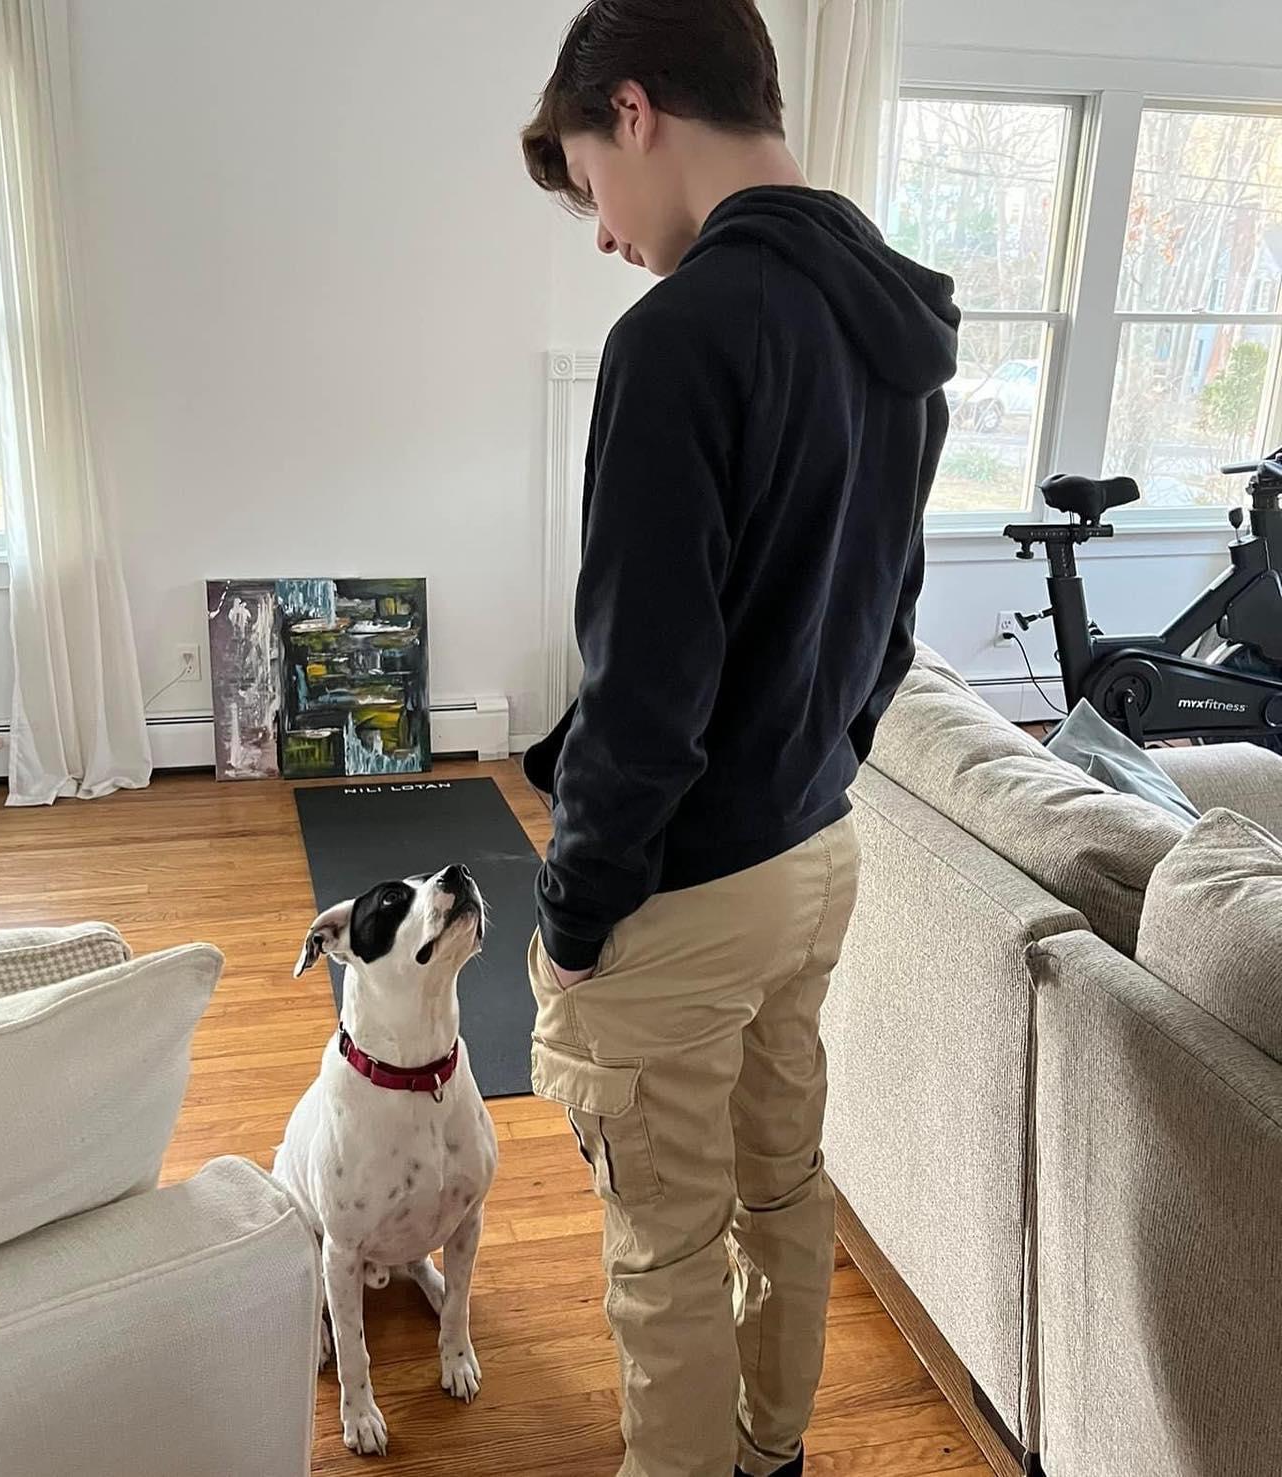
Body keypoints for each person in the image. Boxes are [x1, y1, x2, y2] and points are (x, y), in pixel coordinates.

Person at [518, 3, 958, 1475]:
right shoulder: (895, 319)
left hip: (692, 885)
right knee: (781, 1186)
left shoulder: (675, 339)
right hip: (818, 854)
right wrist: (818, 766)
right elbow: (890, 622)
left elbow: (643, 690)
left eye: (591, 181)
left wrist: (577, 912)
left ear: (635, 111)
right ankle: (772, 1453)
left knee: (665, 1247)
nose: (602, 231)